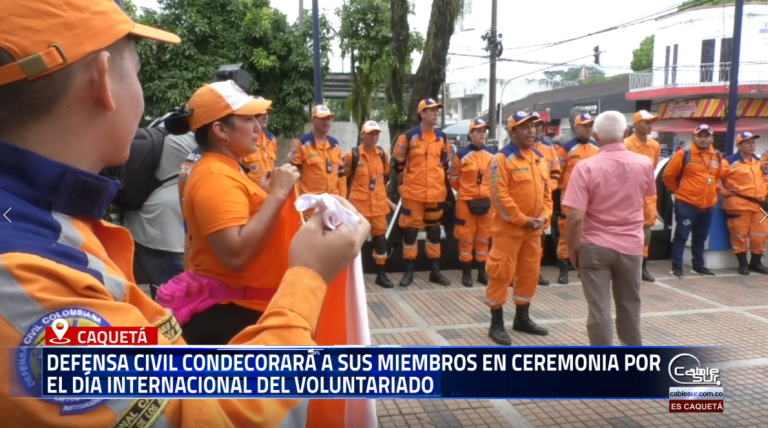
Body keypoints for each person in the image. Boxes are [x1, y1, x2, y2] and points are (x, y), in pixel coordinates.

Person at [0, 2, 370, 426]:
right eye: (137, 73)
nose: (260, 128)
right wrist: (308, 275)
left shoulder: (50, 220)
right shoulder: (29, 277)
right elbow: (208, 416)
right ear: (103, 78)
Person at [163, 82, 304, 345]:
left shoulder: (228, 169)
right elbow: (236, 254)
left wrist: (263, 195)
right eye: (248, 119)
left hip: (241, 305)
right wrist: (276, 195)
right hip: (231, 313)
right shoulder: (215, 175)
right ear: (220, 130)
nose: (258, 128)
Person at [563, 111, 656, 346]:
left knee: (599, 310)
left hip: (593, 246)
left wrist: (572, 251)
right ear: (625, 133)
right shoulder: (644, 164)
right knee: (630, 306)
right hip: (631, 245)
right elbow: (647, 197)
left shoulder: (585, 167)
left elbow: (575, 217)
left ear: (596, 135)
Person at [485, 112, 553, 345]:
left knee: (529, 274)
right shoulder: (501, 160)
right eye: (524, 127)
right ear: (512, 131)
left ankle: (521, 318)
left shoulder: (539, 158)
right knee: (501, 274)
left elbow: (547, 194)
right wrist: (522, 219)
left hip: (533, 231)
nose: (531, 131)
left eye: (533, 126)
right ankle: (496, 324)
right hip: (508, 230)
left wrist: (544, 217)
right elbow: (499, 196)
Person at [125, 131, 197, 298]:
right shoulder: (193, 141)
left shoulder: (164, 129)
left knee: (162, 290)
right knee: (179, 297)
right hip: (167, 233)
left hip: (148, 225)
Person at [393, 98, 453, 287]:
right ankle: (408, 271)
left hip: (435, 194)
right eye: (432, 110)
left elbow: (444, 163)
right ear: (422, 114)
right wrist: (407, 183)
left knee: (434, 231)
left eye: (437, 110)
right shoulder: (408, 137)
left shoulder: (442, 138)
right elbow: (398, 163)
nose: (436, 113)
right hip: (413, 194)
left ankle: (435, 271)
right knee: (410, 232)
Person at [662, 124, 723, 279]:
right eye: (699, 136)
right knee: (681, 235)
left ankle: (698, 265)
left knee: (701, 237)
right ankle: (676, 266)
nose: (703, 139)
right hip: (686, 203)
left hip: (708, 205)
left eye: (706, 136)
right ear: (693, 137)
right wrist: (678, 192)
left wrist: (714, 192)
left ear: (712, 138)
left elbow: (717, 177)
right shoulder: (684, 154)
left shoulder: (717, 156)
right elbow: (668, 176)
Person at [344, 120, 396, 288]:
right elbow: (344, 179)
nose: (374, 137)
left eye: (376, 134)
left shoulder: (383, 155)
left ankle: (381, 275)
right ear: (362, 135)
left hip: (379, 208)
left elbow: (384, 179)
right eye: (370, 133)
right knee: (354, 242)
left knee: (380, 241)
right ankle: (351, 277)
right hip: (358, 208)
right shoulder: (352, 155)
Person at [449, 118, 495, 287]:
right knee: (465, 237)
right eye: (478, 131)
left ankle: (482, 273)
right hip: (466, 202)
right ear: (470, 134)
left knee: (484, 238)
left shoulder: (492, 155)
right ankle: (466, 273)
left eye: (484, 131)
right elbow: (453, 179)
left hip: (486, 202)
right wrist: (466, 191)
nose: (482, 134)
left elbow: (496, 178)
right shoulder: (460, 155)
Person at [555, 113, 599, 284]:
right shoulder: (565, 149)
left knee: (589, 231)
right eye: (585, 125)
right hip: (570, 197)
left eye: (591, 126)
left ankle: (585, 267)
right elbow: (557, 172)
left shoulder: (597, 147)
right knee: (566, 232)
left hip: (593, 197)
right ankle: (563, 268)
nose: (589, 129)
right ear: (576, 127)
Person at [719, 132, 768, 275]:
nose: (751, 145)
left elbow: (765, 179)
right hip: (738, 204)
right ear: (739, 145)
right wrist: (722, 191)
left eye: (753, 143)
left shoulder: (759, 161)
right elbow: (713, 178)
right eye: (747, 143)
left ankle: (756, 262)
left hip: (760, 205)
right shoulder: (729, 161)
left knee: (761, 233)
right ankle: (743, 263)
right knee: (739, 234)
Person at [624, 110, 661, 283]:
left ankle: (642, 268)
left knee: (646, 232)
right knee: (628, 231)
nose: (649, 126)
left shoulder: (654, 145)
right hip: (629, 195)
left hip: (647, 196)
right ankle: (627, 268)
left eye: (651, 123)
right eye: (646, 122)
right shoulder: (626, 145)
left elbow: (652, 169)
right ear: (636, 124)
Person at [288, 104, 347, 204]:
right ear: (313, 121)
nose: (327, 122)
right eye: (323, 119)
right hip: (310, 206)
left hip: (333, 205)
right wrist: (297, 202)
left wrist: (343, 201)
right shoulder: (300, 144)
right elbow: (293, 177)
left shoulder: (335, 145)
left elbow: (341, 176)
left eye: (328, 119)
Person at [532, 112, 561, 286]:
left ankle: (536, 272)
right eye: (532, 124)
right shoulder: (517, 149)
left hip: (544, 202)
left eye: (538, 124)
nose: (535, 128)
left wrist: (548, 187)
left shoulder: (549, 148)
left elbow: (556, 172)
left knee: (540, 238)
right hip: (524, 202)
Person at [241, 95, 277, 186]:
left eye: (267, 112)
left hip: (269, 193)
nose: (265, 116)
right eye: (260, 113)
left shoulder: (271, 139)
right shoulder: (241, 140)